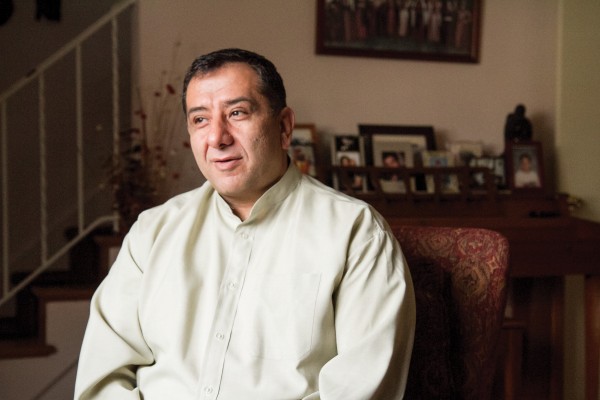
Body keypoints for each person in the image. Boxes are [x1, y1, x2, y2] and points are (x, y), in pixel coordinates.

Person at [74, 48, 415, 399]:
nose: (217, 138)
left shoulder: (356, 232)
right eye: (200, 119)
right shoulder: (151, 232)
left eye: (237, 113)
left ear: (284, 127)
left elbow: (360, 388)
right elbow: (102, 379)